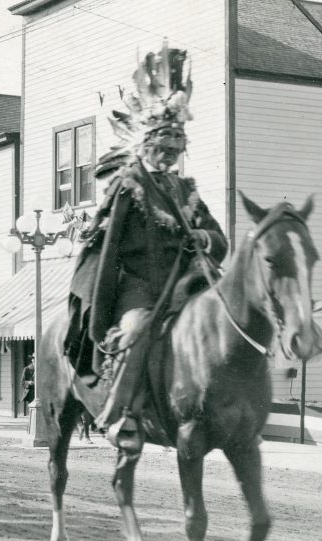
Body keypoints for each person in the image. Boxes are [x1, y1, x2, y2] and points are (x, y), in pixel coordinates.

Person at [66, 43, 228, 450]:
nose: (171, 150)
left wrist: (203, 237)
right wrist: (101, 315)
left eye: (177, 143)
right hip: (138, 287)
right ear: (148, 142)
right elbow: (108, 251)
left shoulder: (186, 190)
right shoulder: (129, 186)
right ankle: (121, 414)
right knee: (137, 330)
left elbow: (220, 241)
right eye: (164, 142)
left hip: (186, 286)